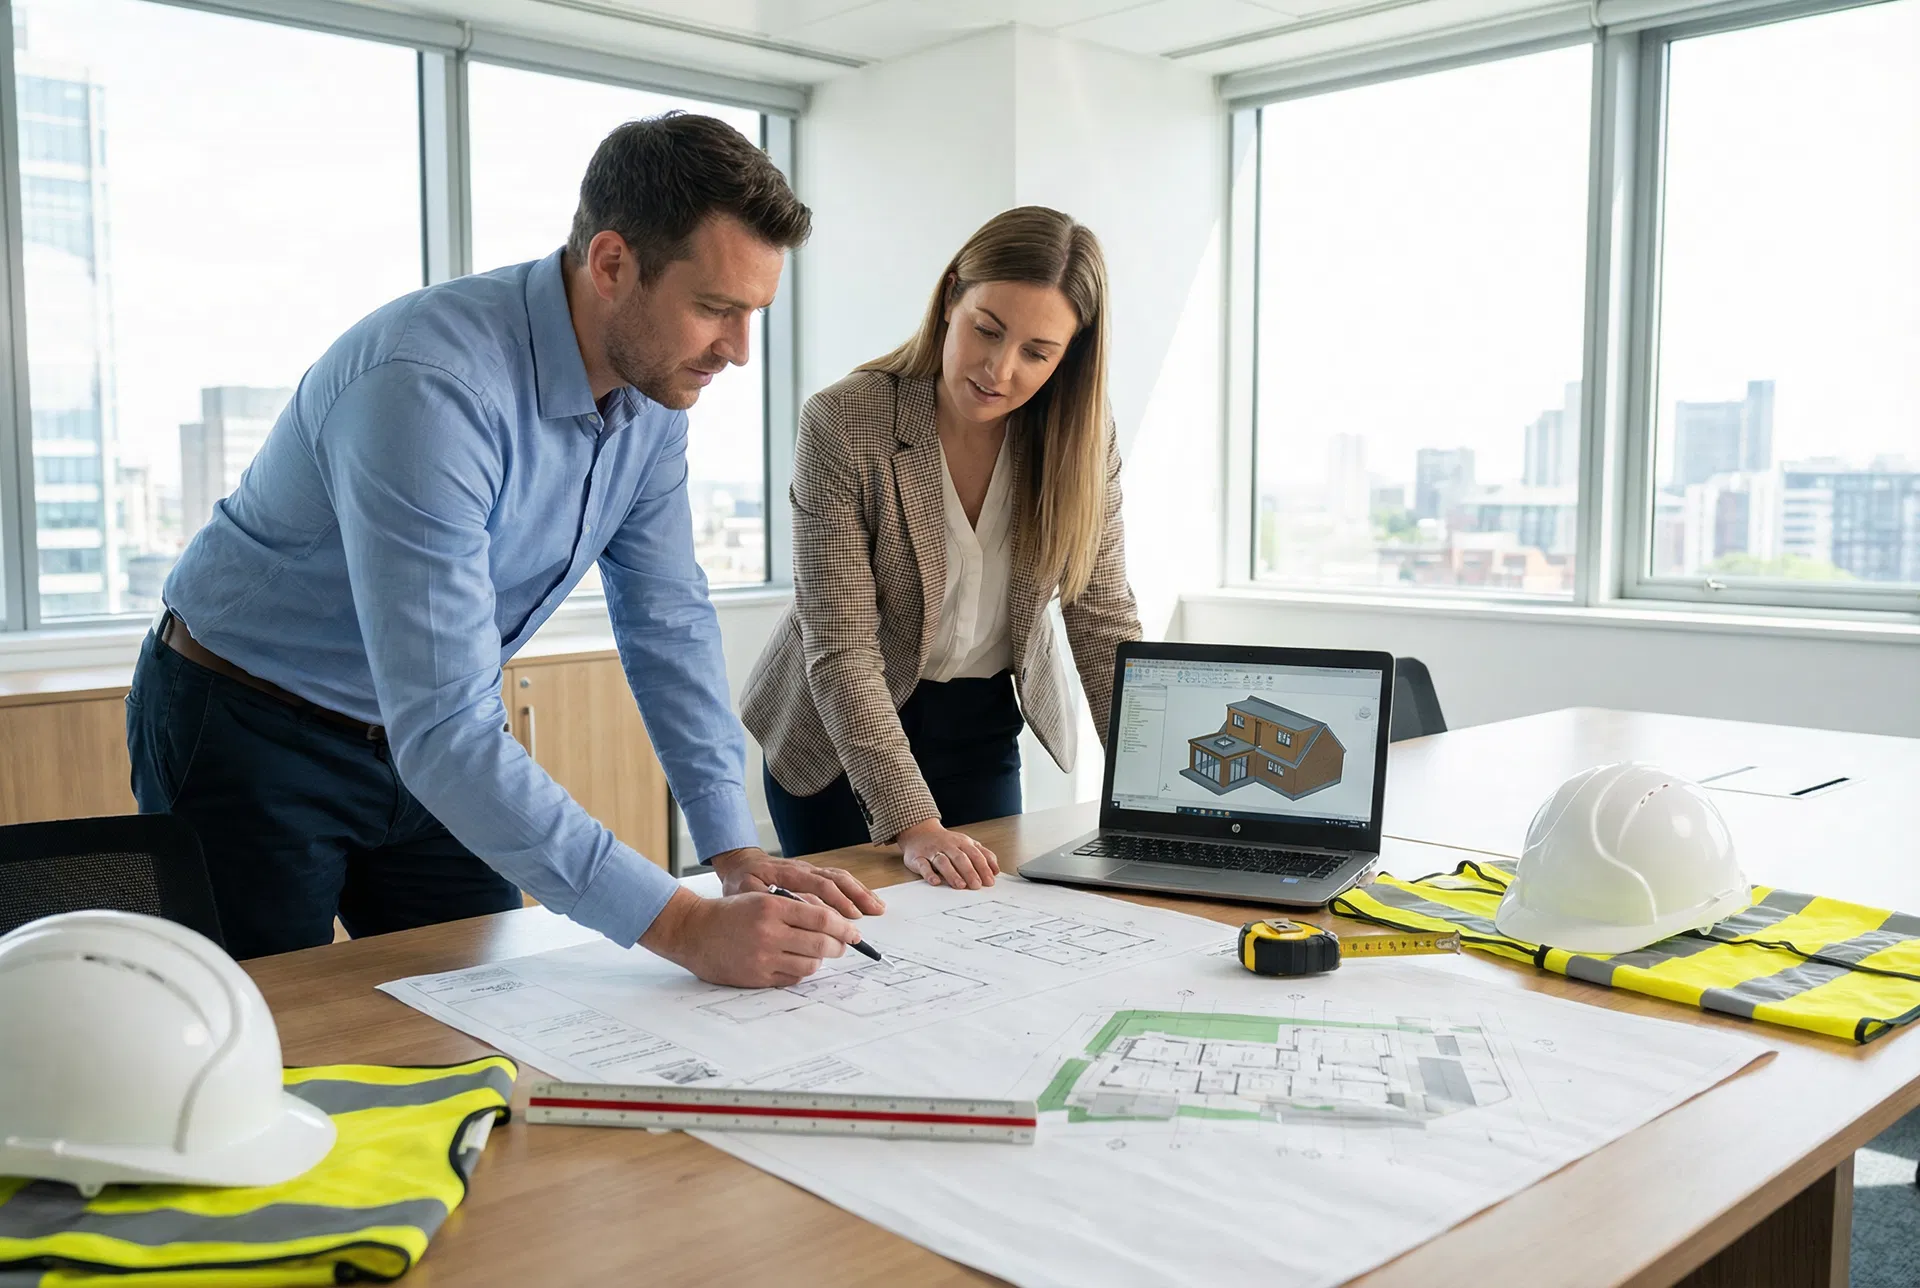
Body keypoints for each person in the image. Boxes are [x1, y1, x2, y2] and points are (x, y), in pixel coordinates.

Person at [128, 113, 884, 986]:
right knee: (270, 1034)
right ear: (611, 265)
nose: (738, 352)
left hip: (429, 737)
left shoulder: (652, 400)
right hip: (250, 725)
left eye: (753, 313)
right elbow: (445, 726)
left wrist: (732, 848)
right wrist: (682, 926)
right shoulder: (430, 387)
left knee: (478, 1015)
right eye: (715, 308)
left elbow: (666, 621)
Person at [742, 206, 1143, 890]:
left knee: (984, 936)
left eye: (1037, 353)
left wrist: (1151, 793)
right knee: (852, 957)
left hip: (981, 725)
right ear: (951, 295)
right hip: (841, 733)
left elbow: (1102, 620)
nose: (999, 369)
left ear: (1069, 356)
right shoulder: (845, 421)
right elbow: (841, 647)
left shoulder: (1081, 438)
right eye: (987, 330)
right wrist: (914, 824)